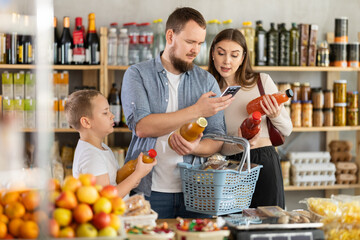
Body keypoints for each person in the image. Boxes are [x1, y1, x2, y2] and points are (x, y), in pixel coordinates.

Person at [121, 7, 234, 218]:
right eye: (190, 42)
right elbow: (143, 127)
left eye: (200, 44)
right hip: (149, 191)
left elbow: (217, 138)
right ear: (170, 36)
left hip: (197, 191)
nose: (196, 50)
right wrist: (196, 110)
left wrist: (197, 147)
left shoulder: (206, 81)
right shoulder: (137, 74)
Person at [208, 29, 293, 209]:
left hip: (264, 161)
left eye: (234, 55)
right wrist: (240, 143)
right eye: (221, 53)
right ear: (212, 54)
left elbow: (287, 129)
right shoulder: (209, 91)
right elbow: (214, 143)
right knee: (233, 226)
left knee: (269, 224)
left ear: (243, 57)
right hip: (229, 165)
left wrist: (275, 115)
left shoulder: (261, 81)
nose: (227, 61)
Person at [65, 89, 157, 198]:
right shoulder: (91, 156)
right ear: (86, 122)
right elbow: (107, 198)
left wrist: (130, 179)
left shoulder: (102, 147)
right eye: (105, 113)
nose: (112, 115)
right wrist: (137, 175)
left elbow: (113, 182)